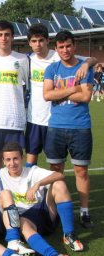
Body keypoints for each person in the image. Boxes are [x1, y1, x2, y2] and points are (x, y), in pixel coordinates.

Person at [0, 142, 83, 256]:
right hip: (22, 222)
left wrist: (38, 184)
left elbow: (59, 175)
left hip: (43, 213)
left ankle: (68, 234)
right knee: (23, 221)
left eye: (15, 158)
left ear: (22, 158)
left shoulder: (32, 171)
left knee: (59, 184)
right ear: (3, 160)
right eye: (8, 159)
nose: (12, 163)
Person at [24, 24, 96, 168]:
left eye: (41, 40)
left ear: (48, 41)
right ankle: (31, 190)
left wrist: (86, 65)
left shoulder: (59, 54)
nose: (38, 44)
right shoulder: (27, 60)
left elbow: (92, 59)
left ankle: (56, 189)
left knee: (57, 165)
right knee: (31, 159)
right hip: (35, 117)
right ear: (29, 43)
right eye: (34, 41)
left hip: (55, 119)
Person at [43, 30, 94, 228]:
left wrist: (59, 93)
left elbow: (86, 97)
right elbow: (47, 95)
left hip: (80, 127)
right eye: (61, 47)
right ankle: (55, 210)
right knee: (56, 171)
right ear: (56, 48)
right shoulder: (52, 69)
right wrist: (74, 88)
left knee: (81, 171)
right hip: (56, 127)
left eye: (68, 46)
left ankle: (84, 211)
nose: (65, 50)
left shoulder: (84, 67)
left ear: (74, 46)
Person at [0, 20, 29, 174]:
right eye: (0, 35)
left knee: (14, 162)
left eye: (7, 35)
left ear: (13, 37)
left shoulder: (22, 59)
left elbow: (28, 86)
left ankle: (13, 192)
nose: (4, 38)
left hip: (15, 120)